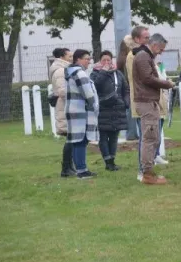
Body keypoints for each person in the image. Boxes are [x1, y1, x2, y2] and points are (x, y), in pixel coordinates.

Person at [132, 33, 175, 185]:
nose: (161, 52)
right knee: (149, 138)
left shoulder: (144, 55)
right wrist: (166, 84)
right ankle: (147, 175)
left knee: (153, 137)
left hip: (148, 101)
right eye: (161, 49)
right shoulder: (143, 56)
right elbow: (147, 78)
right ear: (155, 44)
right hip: (146, 102)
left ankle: (148, 172)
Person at [90, 50, 129, 172]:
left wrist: (125, 102)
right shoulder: (95, 73)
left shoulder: (118, 73)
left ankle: (112, 160)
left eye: (109, 60)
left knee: (114, 136)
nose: (107, 62)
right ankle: (107, 161)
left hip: (117, 108)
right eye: (104, 60)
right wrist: (103, 72)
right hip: (103, 108)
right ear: (99, 61)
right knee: (103, 136)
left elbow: (126, 89)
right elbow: (95, 86)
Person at [65, 49, 99, 179]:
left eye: (89, 59)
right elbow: (88, 94)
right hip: (81, 111)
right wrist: (95, 106)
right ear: (78, 59)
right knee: (80, 140)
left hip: (75, 110)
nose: (89, 61)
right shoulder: (79, 73)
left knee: (77, 140)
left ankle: (81, 168)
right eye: (86, 59)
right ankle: (81, 170)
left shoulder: (72, 72)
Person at [49, 48, 75, 177]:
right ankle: (66, 168)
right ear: (62, 57)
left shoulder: (62, 68)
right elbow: (62, 91)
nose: (72, 58)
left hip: (66, 106)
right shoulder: (60, 71)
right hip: (66, 107)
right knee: (70, 139)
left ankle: (70, 167)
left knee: (71, 138)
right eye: (69, 56)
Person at [126, 25, 150, 154]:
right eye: (146, 38)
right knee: (145, 136)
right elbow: (142, 78)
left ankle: (148, 166)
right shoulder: (133, 56)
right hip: (142, 98)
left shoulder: (144, 53)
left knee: (149, 135)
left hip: (147, 98)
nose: (148, 40)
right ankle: (143, 170)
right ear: (137, 39)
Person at [117, 36, 139, 141]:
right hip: (130, 88)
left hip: (125, 88)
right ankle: (131, 134)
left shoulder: (121, 57)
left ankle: (131, 133)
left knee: (129, 111)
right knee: (131, 112)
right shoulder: (128, 58)